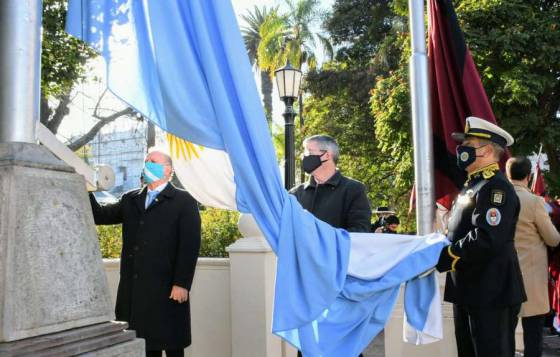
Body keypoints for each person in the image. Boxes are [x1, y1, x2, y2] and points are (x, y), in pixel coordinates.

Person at [89, 148, 201, 357]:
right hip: (135, 289)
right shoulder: (130, 199)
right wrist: (86, 187)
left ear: (168, 171)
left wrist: (182, 283)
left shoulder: (184, 201)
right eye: (146, 161)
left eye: (154, 161)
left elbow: (189, 245)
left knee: (172, 345)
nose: (148, 164)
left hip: (167, 288)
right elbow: (99, 215)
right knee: (144, 346)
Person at [436, 116, 526, 357]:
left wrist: (447, 255)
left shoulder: (496, 188)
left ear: (486, 151)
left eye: (468, 144)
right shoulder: (473, 185)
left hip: (491, 290)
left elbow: (487, 237)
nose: (460, 149)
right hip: (469, 288)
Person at [290, 135, 371, 357]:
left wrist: (320, 240)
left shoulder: (353, 190)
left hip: (340, 285)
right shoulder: (296, 195)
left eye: (308, 151)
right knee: (308, 348)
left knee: (343, 347)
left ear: (326, 155)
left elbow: (361, 233)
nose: (303, 157)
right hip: (307, 285)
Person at [506, 156, 560, 357]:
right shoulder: (534, 201)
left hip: (503, 276)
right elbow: (553, 239)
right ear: (528, 177)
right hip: (532, 279)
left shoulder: (499, 197)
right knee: (533, 338)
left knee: (504, 336)